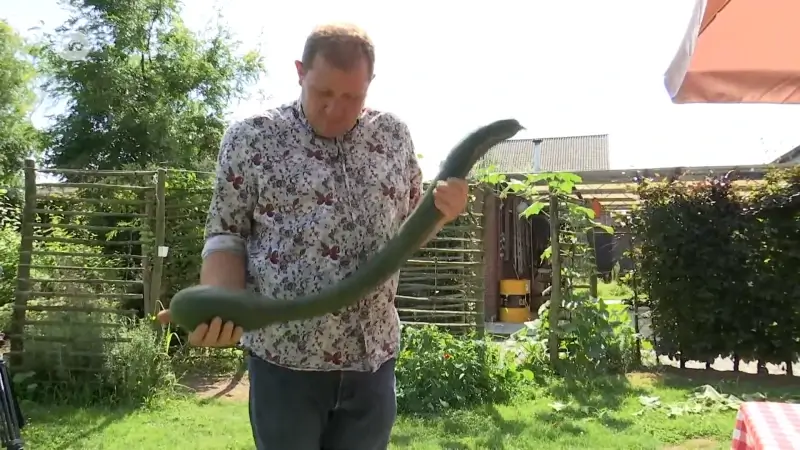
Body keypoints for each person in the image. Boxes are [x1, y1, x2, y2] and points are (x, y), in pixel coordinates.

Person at [157, 22, 469, 450]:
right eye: (323, 93)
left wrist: (441, 215)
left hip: (373, 360)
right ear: (300, 72)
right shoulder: (252, 138)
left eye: (352, 97)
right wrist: (221, 304)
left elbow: (406, 237)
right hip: (285, 364)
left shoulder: (394, 136)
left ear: (370, 84)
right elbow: (225, 235)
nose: (336, 109)